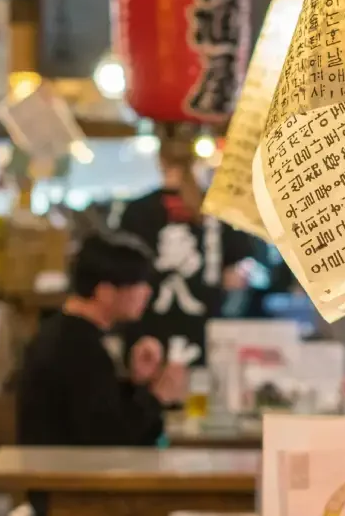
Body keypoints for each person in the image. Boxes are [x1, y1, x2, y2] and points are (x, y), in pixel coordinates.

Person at [16, 232, 187, 447]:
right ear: (105, 292)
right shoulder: (77, 347)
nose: (147, 292)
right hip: (65, 475)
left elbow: (104, 416)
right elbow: (111, 439)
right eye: (138, 283)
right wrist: (157, 397)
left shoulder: (67, 333)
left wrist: (134, 383)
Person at [117, 135, 256, 367]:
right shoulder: (218, 209)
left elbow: (122, 274)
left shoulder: (136, 211)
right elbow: (237, 276)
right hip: (207, 338)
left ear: (160, 159)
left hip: (147, 340)